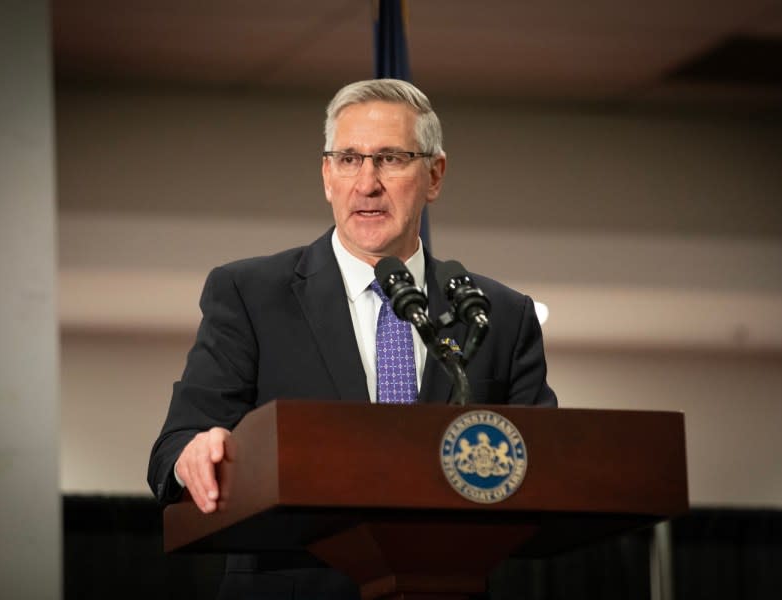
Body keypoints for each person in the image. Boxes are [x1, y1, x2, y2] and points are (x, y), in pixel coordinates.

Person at [147, 78, 557, 599]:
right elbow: (174, 447)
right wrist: (192, 453)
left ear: (435, 174)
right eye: (348, 159)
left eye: (390, 158)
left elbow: (547, 467)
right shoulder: (250, 295)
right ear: (326, 175)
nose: (367, 183)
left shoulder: (496, 314)